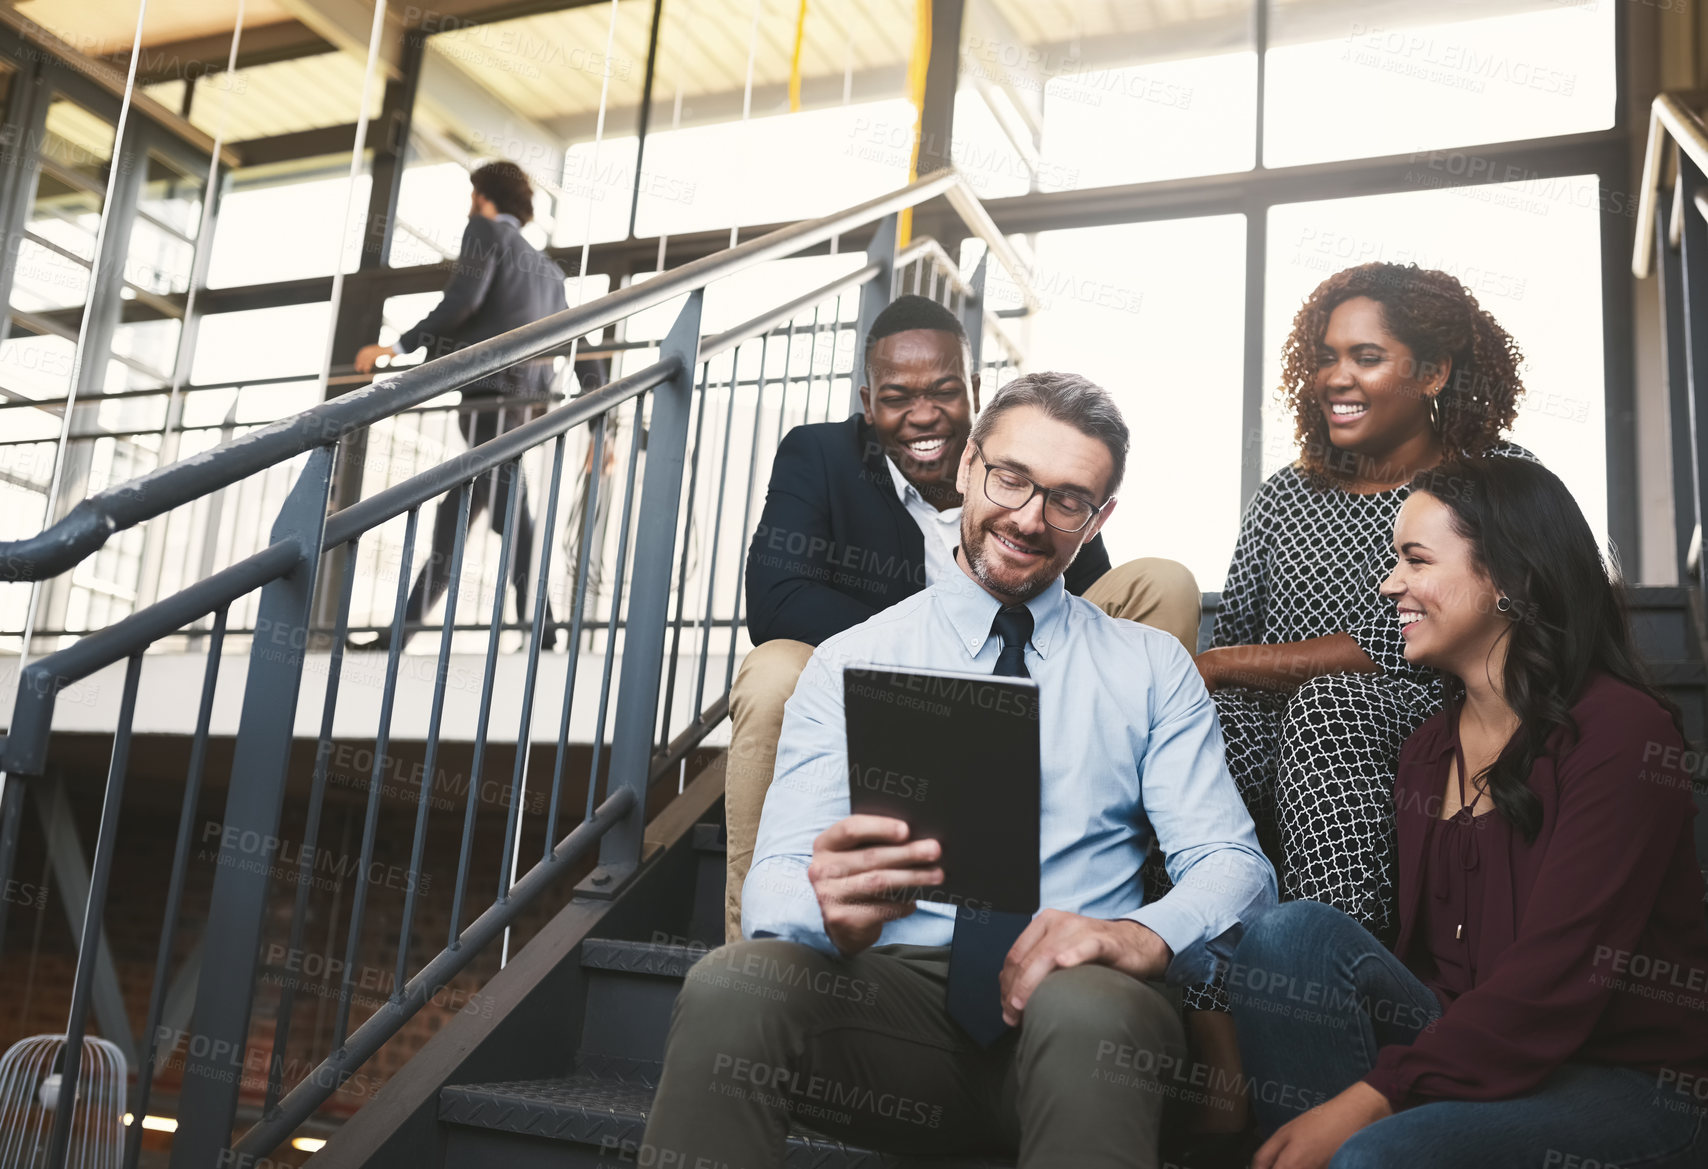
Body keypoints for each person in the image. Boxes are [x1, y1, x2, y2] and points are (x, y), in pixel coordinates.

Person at [639, 372, 1276, 1169]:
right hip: (893, 1013)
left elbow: (1234, 865)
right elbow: (772, 883)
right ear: (970, 465)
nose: (1028, 517)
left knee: (1083, 1008)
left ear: (1099, 518)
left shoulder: (1149, 666)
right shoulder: (853, 659)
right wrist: (828, 908)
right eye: (1010, 477)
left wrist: (1139, 934)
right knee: (734, 983)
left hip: (1087, 1013)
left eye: (1068, 499)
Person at [1231, 455, 1708, 1169]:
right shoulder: (1430, 747)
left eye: (1415, 560)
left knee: (1375, 1154)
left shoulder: (1622, 734)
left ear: (1510, 578)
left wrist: (1371, 1096)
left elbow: (1550, 988)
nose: (1390, 584)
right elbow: (1428, 964)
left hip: (1623, 1077)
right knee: (1286, 936)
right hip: (1476, 1043)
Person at [727, 294, 1202, 943]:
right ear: (868, 403)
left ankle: (1121, 851)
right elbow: (776, 599)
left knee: (1164, 581)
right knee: (769, 670)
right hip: (883, 683)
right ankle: (764, 939)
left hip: (1042, 671)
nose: (924, 414)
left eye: (945, 391)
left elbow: (1081, 573)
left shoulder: (1021, 454)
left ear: (974, 391)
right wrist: (942, 630)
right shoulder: (820, 456)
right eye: (898, 396)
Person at [351, 161, 605, 651]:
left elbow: (461, 302)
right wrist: (601, 427)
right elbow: (583, 344)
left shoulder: (483, 231)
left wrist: (397, 347)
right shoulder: (548, 272)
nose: (470, 203)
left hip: (489, 395)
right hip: (526, 402)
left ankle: (543, 629)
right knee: (461, 511)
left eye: (473, 193)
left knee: (509, 509)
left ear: (484, 196)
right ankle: (400, 632)